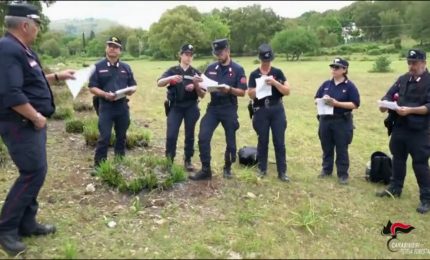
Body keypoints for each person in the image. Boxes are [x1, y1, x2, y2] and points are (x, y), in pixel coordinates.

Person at [0, 3, 76, 255]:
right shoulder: (8, 49)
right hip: (20, 123)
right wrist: (35, 117)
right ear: (25, 25)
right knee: (33, 172)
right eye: (37, 25)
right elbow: (11, 92)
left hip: (30, 124)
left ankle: (27, 222)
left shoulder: (23, 50)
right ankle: (6, 229)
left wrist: (58, 77)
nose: (38, 30)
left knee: (36, 171)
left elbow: (33, 78)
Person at [376, 49, 430, 214]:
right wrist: (385, 104)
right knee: (398, 158)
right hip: (399, 126)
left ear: (424, 63)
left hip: (419, 130)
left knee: (420, 163)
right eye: (409, 62)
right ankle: (395, 187)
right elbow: (388, 95)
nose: (411, 66)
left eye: (414, 63)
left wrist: (411, 110)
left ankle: (426, 198)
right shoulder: (403, 79)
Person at [189, 38, 247, 180]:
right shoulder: (211, 68)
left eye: (220, 53)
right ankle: (206, 169)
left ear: (227, 51)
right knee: (203, 136)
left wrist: (229, 89)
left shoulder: (238, 69)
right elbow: (202, 94)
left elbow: (242, 92)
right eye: (216, 54)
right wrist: (197, 85)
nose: (218, 56)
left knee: (231, 142)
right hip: (213, 108)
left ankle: (227, 167)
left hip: (229, 108)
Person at [88, 36, 137, 167]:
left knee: (122, 136)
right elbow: (92, 87)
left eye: (115, 47)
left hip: (122, 106)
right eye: (110, 46)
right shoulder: (98, 67)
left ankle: (119, 163)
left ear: (120, 50)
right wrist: (104, 94)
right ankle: (99, 165)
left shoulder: (126, 67)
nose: (112, 49)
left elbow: (133, 85)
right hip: (106, 106)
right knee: (104, 137)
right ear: (106, 48)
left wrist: (131, 91)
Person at [157, 44, 205, 171]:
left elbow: (203, 94)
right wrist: (170, 78)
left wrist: (196, 86)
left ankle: (188, 160)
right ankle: (169, 160)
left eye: (190, 55)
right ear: (180, 55)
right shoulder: (173, 70)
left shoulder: (196, 73)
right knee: (172, 134)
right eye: (186, 54)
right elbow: (159, 83)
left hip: (191, 106)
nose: (188, 57)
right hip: (175, 107)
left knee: (190, 134)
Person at [247, 44, 291, 182]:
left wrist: (275, 83)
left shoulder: (278, 72)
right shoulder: (254, 74)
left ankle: (282, 172)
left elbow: (287, 91)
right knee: (262, 140)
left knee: (279, 141)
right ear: (260, 59)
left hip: (277, 109)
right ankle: (262, 169)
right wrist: (260, 87)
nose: (266, 63)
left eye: (268, 60)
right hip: (261, 110)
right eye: (264, 61)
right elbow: (250, 94)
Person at [314, 58, 360, 185]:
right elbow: (315, 99)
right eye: (332, 67)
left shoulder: (350, 86)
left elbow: (355, 104)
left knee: (341, 147)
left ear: (344, 70)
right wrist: (322, 99)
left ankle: (343, 174)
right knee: (326, 146)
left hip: (341, 121)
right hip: (325, 120)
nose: (333, 69)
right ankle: (326, 169)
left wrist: (337, 103)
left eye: (337, 67)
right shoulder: (326, 84)